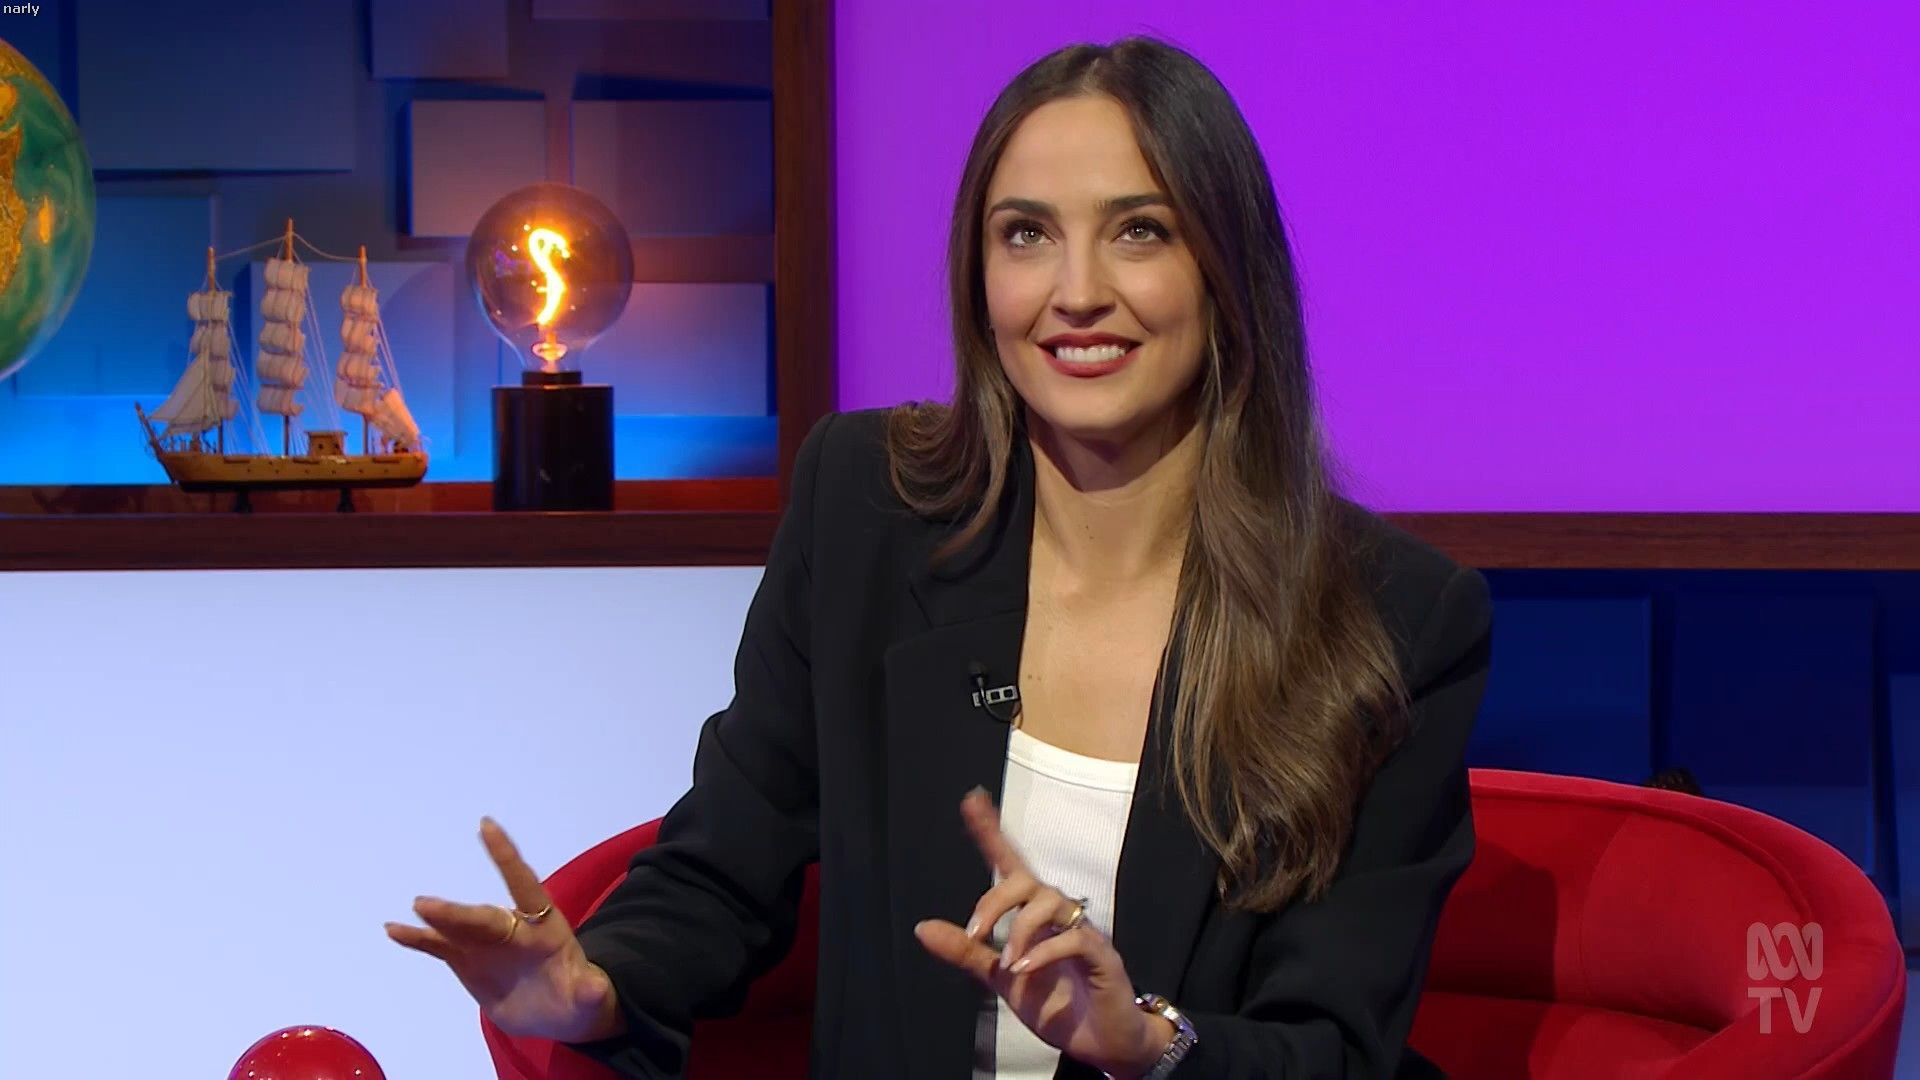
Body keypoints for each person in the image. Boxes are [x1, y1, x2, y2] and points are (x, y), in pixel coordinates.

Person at [387, 35, 1493, 1079]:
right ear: (978, 274)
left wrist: (1145, 1041)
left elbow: (1334, 1046)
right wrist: (596, 985)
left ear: (1227, 269)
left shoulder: (1393, 616)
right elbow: (724, 865)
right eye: (1026, 235)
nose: (1076, 292)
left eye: (1140, 231)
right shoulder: (868, 510)